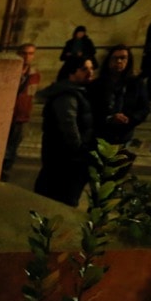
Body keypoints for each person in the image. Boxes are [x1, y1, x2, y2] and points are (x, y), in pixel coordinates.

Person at [33, 55, 97, 207]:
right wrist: (80, 150)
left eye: (91, 68)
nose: (90, 72)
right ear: (71, 73)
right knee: (60, 199)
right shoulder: (67, 95)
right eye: (84, 69)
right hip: (65, 158)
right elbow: (69, 126)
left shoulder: (78, 92)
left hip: (67, 157)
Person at [88, 45, 150, 147]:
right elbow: (91, 108)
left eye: (123, 58)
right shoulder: (97, 84)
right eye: (115, 58)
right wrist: (109, 118)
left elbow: (144, 108)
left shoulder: (137, 83)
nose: (119, 61)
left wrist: (128, 119)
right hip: (101, 134)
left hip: (125, 135)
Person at [1, 42, 41, 181]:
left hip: (21, 116)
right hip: (7, 115)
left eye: (30, 54)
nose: (27, 57)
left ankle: (5, 173)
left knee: (12, 148)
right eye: (24, 53)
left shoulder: (34, 74)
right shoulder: (10, 71)